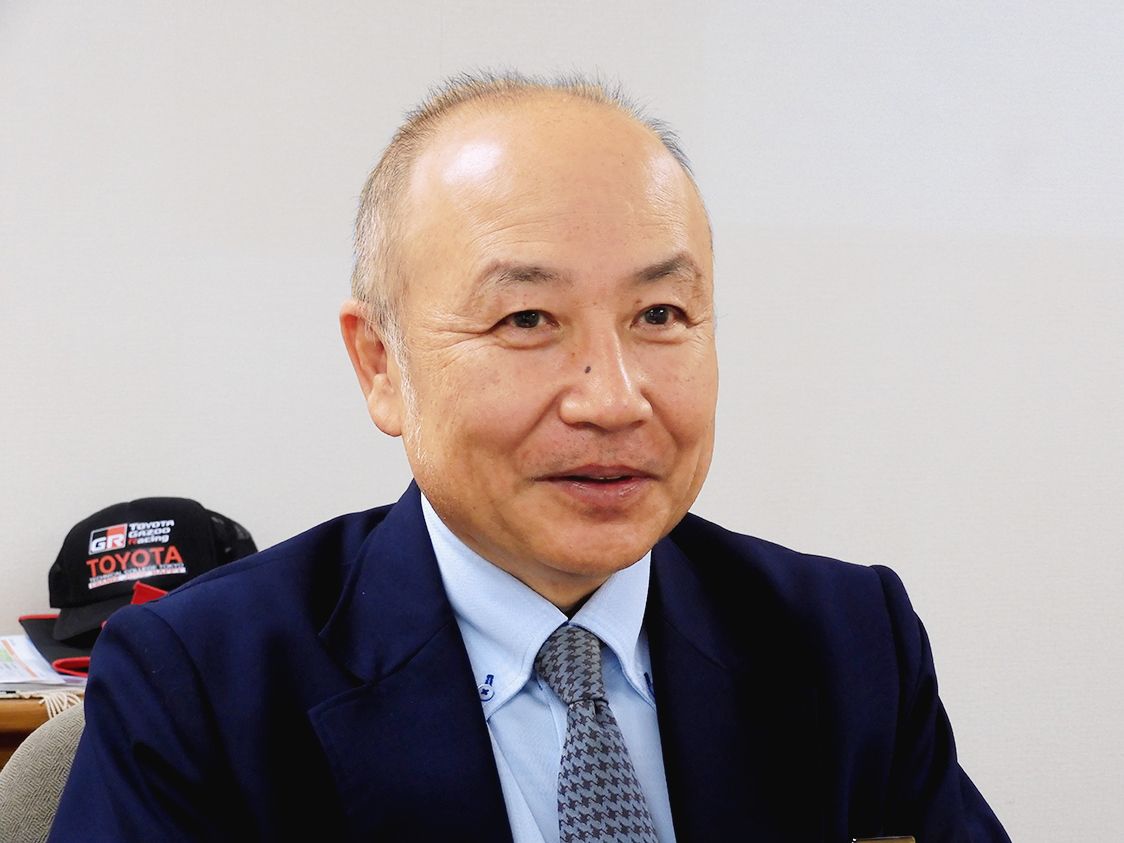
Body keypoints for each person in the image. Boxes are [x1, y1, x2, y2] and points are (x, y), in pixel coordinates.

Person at [51, 72, 1010, 842]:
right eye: (527, 319)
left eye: (660, 313)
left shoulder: (848, 642)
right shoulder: (202, 681)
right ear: (381, 365)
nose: (613, 399)